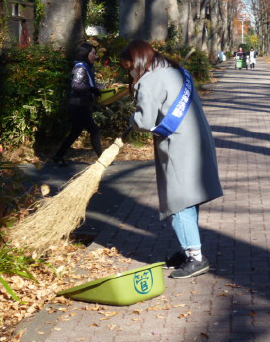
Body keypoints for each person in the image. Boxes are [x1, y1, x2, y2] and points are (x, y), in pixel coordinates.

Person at [120, 40, 223, 279]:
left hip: (178, 145)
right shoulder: (177, 71)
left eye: (129, 68)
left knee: (179, 200)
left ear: (137, 62)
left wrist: (132, 121)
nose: (130, 73)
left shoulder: (149, 80)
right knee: (190, 196)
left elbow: (145, 122)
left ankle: (196, 257)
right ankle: (188, 249)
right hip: (197, 139)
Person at [53, 43, 102, 166]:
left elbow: (87, 84)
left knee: (75, 132)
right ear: (86, 53)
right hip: (79, 106)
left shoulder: (86, 67)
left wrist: (100, 88)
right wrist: (92, 89)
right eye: (93, 53)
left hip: (81, 105)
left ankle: (58, 156)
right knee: (94, 130)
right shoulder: (80, 67)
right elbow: (76, 85)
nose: (95, 56)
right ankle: (103, 159)